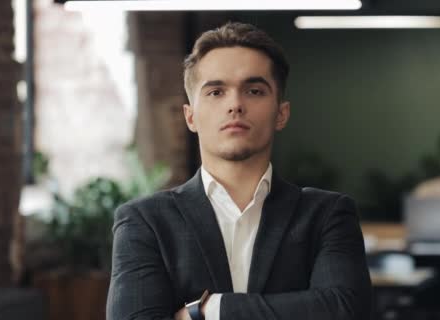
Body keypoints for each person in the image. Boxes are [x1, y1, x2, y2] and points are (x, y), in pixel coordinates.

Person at [106, 22, 371, 320]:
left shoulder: (327, 215)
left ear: (281, 114)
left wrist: (210, 310)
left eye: (254, 90)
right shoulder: (145, 222)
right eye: (216, 92)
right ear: (190, 117)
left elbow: (344, 311)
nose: (235, 104)